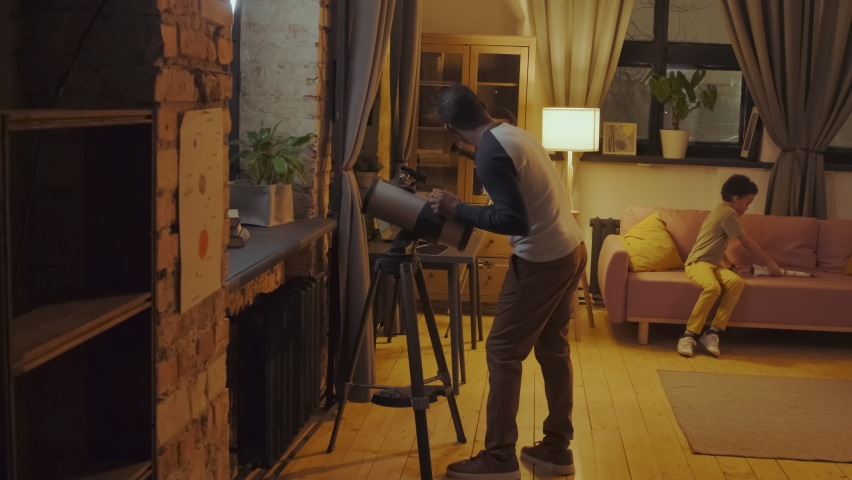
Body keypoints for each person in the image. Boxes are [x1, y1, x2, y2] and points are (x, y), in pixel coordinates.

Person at [428, 85, 585, 479]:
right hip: (570, 247)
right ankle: (555, 449)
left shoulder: (490, 152)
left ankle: (499, 459)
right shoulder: (514, 133)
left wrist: (457, 208)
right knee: (552, 348)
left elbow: (515, 221)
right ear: (483, 105)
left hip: (542, 261)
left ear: (449, 127)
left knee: (502, 351)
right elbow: (517, 203)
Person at [678, 174, 782, 358]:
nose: (747, 208)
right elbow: (747, 243)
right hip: (697, 262)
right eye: (747, 204)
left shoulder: (721, 210)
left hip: (713, 264)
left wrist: (729, 264)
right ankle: (688, 335)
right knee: (712, 287)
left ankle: (712, 333)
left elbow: (715, 244)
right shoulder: (728, 213)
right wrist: (771, 264)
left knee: (737, 283)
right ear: (736, 199)